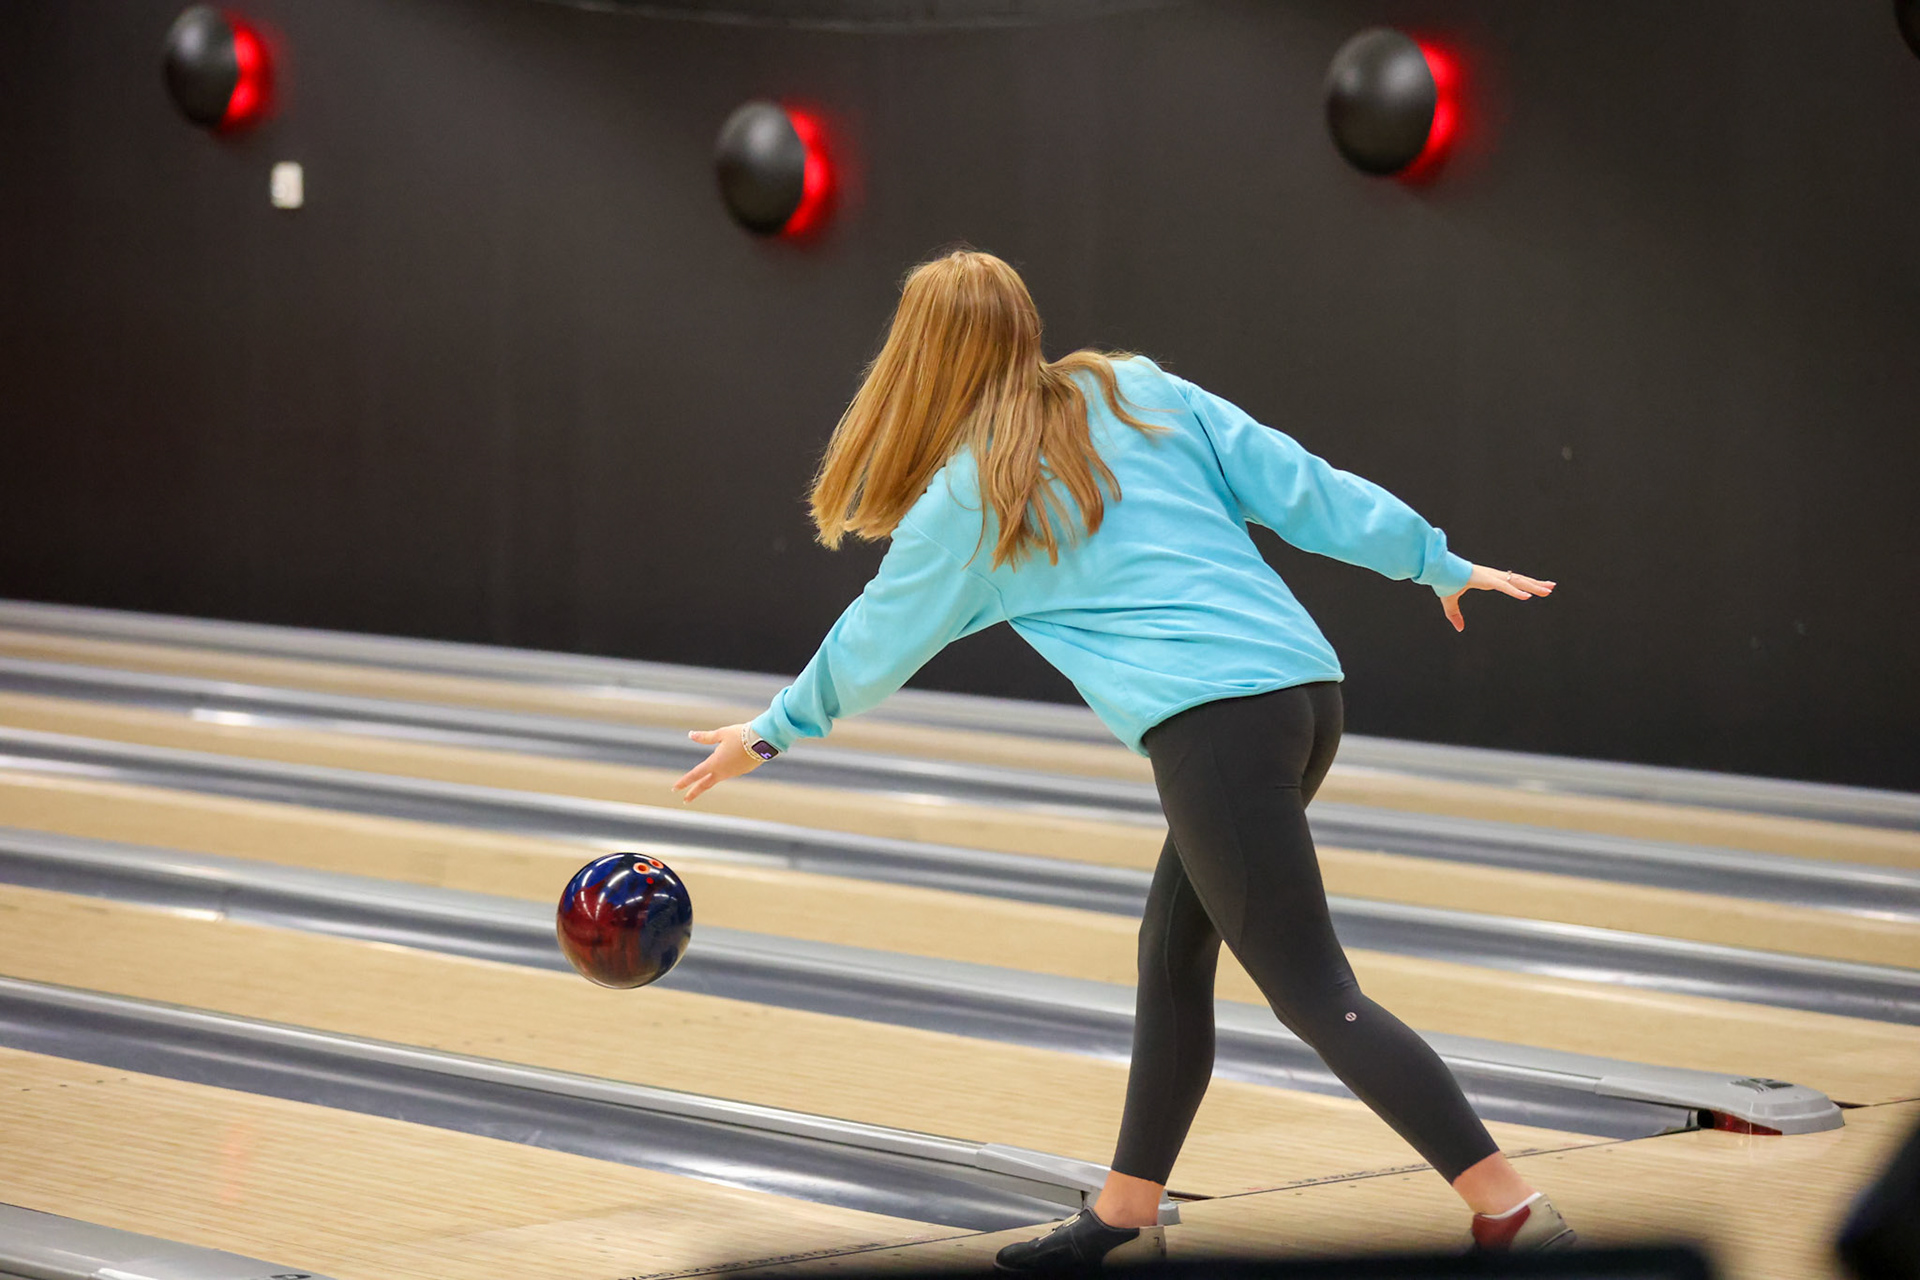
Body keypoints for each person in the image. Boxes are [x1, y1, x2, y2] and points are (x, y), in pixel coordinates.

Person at [672, 249, 1574, 1266]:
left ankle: (1511, 1206)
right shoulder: (1130, 388)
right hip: (1303, 694)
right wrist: (1430, 557)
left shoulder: (974, 494)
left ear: (916, 355)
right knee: (1170, 952)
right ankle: (1126, 1207)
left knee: (1315, 990)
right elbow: (1296, 478)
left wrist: (773, 728)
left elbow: (878, 636)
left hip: (1216, 725)